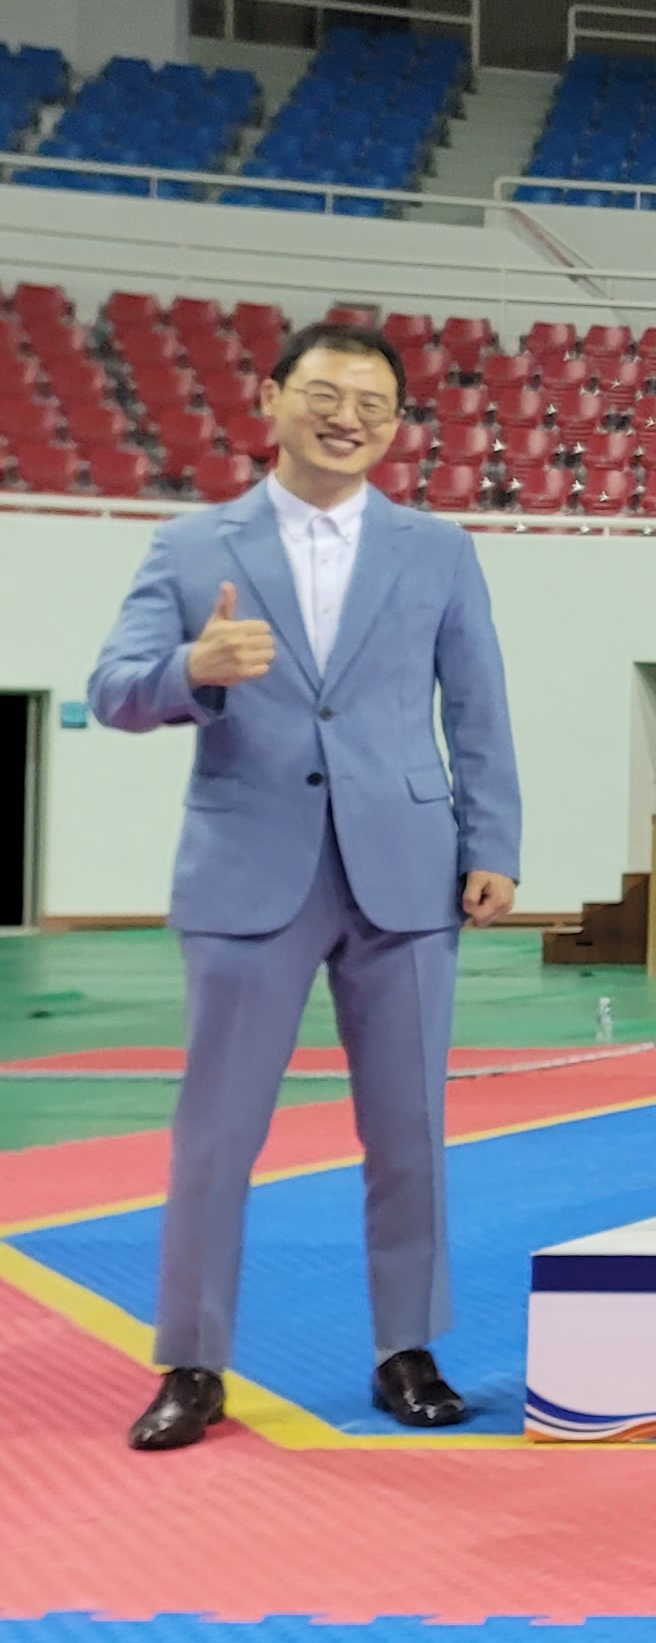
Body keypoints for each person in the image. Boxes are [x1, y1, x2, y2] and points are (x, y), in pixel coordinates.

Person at [85, 318, 522, 1450]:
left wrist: (494, 841)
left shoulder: (438, 550)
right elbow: (113, 689)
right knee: (215, 1135)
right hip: (247, 870)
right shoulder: (191, 546)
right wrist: (192, 668)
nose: (347, 419)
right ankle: (192, 1363)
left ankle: (409, 1347)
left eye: (374, 404)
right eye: (325, 394)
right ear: (271, 398)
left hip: (409, 873)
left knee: (411, 1132)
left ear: (398, 425)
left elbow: (478, 706)